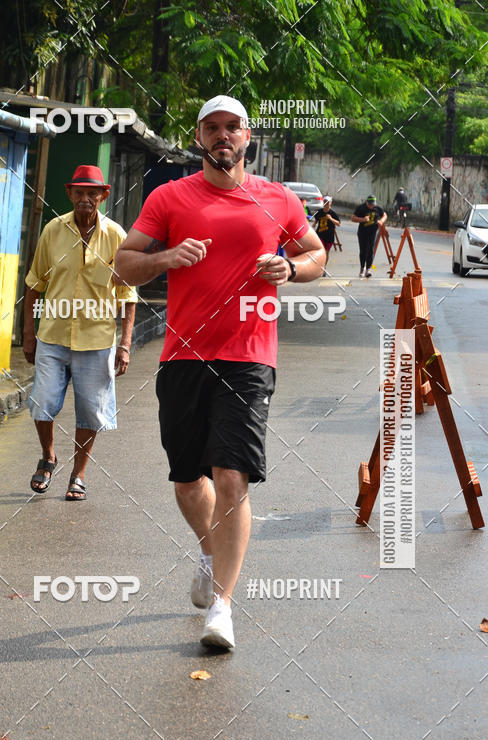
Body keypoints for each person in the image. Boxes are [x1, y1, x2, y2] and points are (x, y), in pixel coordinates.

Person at [114, 95, 324, 649]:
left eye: (233, 127)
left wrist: (292, 267)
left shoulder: (276, 199)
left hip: (250, 356)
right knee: (189, 481)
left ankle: (223, 609)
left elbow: (317, 254)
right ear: (200, 136)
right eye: (213, 128)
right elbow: (123, 264)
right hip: (183, 357)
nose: (223, 136)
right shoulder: (169, 196)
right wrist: (166, 258)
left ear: (248, 137)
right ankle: (209, 554)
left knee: (232, 476)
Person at [23, 165, 137, 500]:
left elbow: (128, 294)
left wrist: (126, 344)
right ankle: (48, 456)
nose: (85, 199)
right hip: (53, 337)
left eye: (92, 193)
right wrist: (29, 335)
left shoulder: (117, 236)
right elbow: (33, 285)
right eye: (79, 192)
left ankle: (78, 473)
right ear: (69, 194)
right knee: (42, 403)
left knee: (90, 410)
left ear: (104, 196)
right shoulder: (53, 231)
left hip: (97, 341)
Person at [351, 194, 387, 278]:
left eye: (372, 204)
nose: (371, 206)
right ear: (366, 202)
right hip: (363, 232)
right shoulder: (361, 208)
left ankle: (368, 269)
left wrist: (381, 221)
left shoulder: (377, 208)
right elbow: (352, 218)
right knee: (363, 250)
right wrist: (362, 219)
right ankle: (362, 268)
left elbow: (385, 215)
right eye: (369, 204)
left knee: (371, 250)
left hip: (373, 232)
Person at [313, 195, 341, 273]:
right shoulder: (319, 212)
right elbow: (316, 219)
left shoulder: (333, 213)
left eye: (327, 202)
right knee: (321, 251)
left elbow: (339, 224)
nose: (326, 203)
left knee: (326, 252)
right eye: (325, 202)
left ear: (330, 203)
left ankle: (324, 267)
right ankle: (319, 267)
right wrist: (314, 224)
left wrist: (331, 219)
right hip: (320, 234)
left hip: (329, 236)